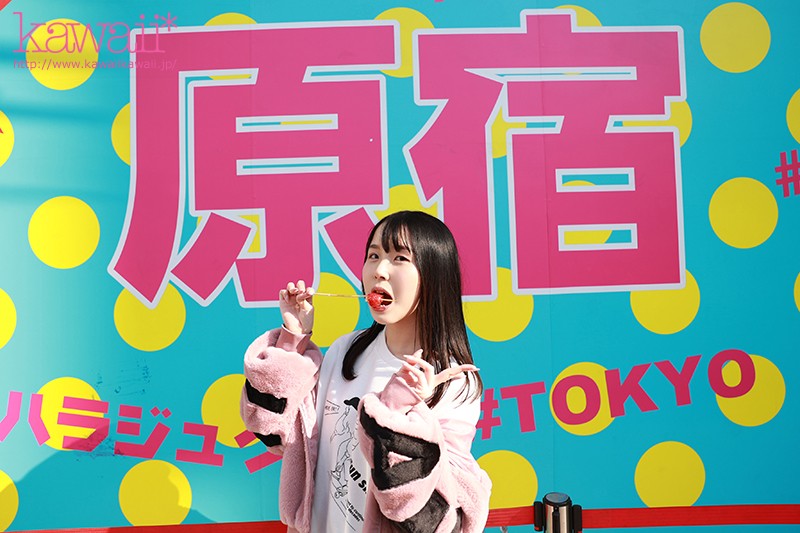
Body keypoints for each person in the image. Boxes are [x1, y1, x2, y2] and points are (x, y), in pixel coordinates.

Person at [241, 210, 491, 533]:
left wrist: (399, 409)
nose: (379, 271)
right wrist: (292, 339)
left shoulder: (452, 382)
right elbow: (278, 433)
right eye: (373, 256)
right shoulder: (346, 352)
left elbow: (439, 513)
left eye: (399, 258)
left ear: (433, 275)